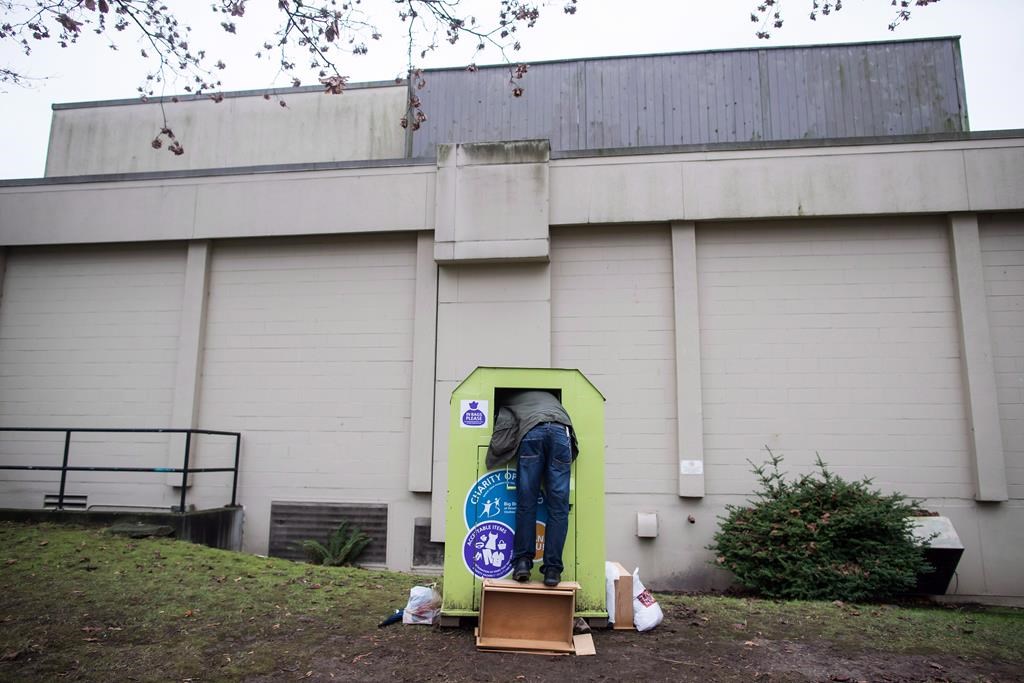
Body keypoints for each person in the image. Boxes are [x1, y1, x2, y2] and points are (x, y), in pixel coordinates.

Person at [486, 390, 578, 587]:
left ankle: (522, 563)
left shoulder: (508, 400)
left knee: (527, 503)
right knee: (559, 508)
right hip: (562, 432)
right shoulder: (551, 400)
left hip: (533, 432)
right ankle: (552, 571)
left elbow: (503, 428)